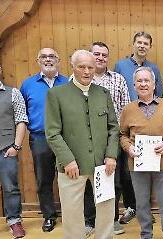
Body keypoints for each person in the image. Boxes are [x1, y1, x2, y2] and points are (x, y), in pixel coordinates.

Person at [45, 50, 119, 239]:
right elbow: (52, 133)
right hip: (71, 166)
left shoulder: (103, 93)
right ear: (73, 67)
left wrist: (111, 155)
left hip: (103, 166)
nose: (86, 71)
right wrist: (68, 160)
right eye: (82, 67)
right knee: (72, 214)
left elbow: (113, 128)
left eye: (90, 67)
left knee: (106, 209)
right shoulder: (56, 94)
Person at [120, 66, 163, 239]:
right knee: (142, 203)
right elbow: (122, 134)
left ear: (154, 84)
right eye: (140, 81)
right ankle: (146, 234)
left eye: (147, 80)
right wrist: (128, 147)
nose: (143, 84)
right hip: (137, 164)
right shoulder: (128, 109)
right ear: (134, 85)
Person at [83, 41, 131, 236]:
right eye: (97, 54)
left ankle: (111, 219)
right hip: (87, 139)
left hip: (113, 137)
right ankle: (89, 220)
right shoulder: (77, 79)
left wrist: (121, 134)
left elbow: (126, 108)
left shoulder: (118, 79)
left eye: (104, 55)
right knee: (87, 180)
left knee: (114, 180)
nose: (100, 58)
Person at [20, 48, 68, 232]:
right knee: (44, 179)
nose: (48, 59)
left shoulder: (68, 82)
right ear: (38, 60)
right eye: (44, 57)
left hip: (66, 139)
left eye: (52, 56)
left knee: (70, 177)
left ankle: (70, 213)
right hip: (40, 138)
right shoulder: (28, 85)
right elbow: (22, 114)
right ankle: (49, 216)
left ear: (59, 60)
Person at [0, 65, 28, 238]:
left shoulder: (13, 93)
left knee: (10, 187)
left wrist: (16, 146)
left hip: (6, 148)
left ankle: (14, 221)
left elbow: (21, 120)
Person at [115, 31, 163, 100]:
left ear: (150, 47)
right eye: (139, 42)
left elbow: (159, 96)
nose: (142, 46)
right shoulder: (120, 66)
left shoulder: (154, 69)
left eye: (146, 44)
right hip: (127, 109)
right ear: (133, 44)